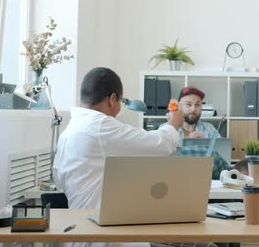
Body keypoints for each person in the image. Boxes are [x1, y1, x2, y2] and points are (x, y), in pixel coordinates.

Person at [53, 67, 185, 209]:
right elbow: (161, 145)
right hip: (96, 222)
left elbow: (60, 180)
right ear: (112, 99)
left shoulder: (69, 130)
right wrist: (173, 123)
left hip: (78, 216)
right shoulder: (101, 125)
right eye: (120, 101)